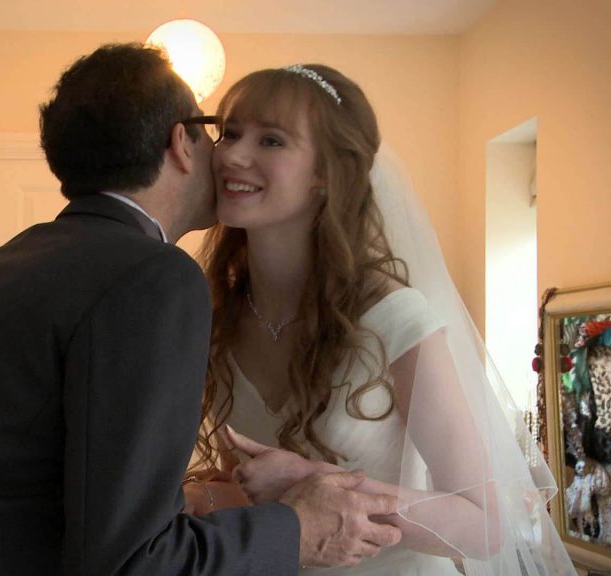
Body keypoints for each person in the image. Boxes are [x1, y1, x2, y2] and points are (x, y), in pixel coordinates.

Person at [0, 45, 401, 576]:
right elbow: (132, 562)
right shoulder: (154, 277)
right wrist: (297, 529)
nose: (229, 155)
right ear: (181, 143)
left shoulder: (0, 265)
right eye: (218, 132)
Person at [185, 64, 576, 574]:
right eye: (231, 133)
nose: (233, 155)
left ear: (327, 173)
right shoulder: (216, 314)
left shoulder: (393, 317)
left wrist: (314, 483)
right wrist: (204, 497)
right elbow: (252, 487)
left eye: (271, 141)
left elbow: (485, 526)